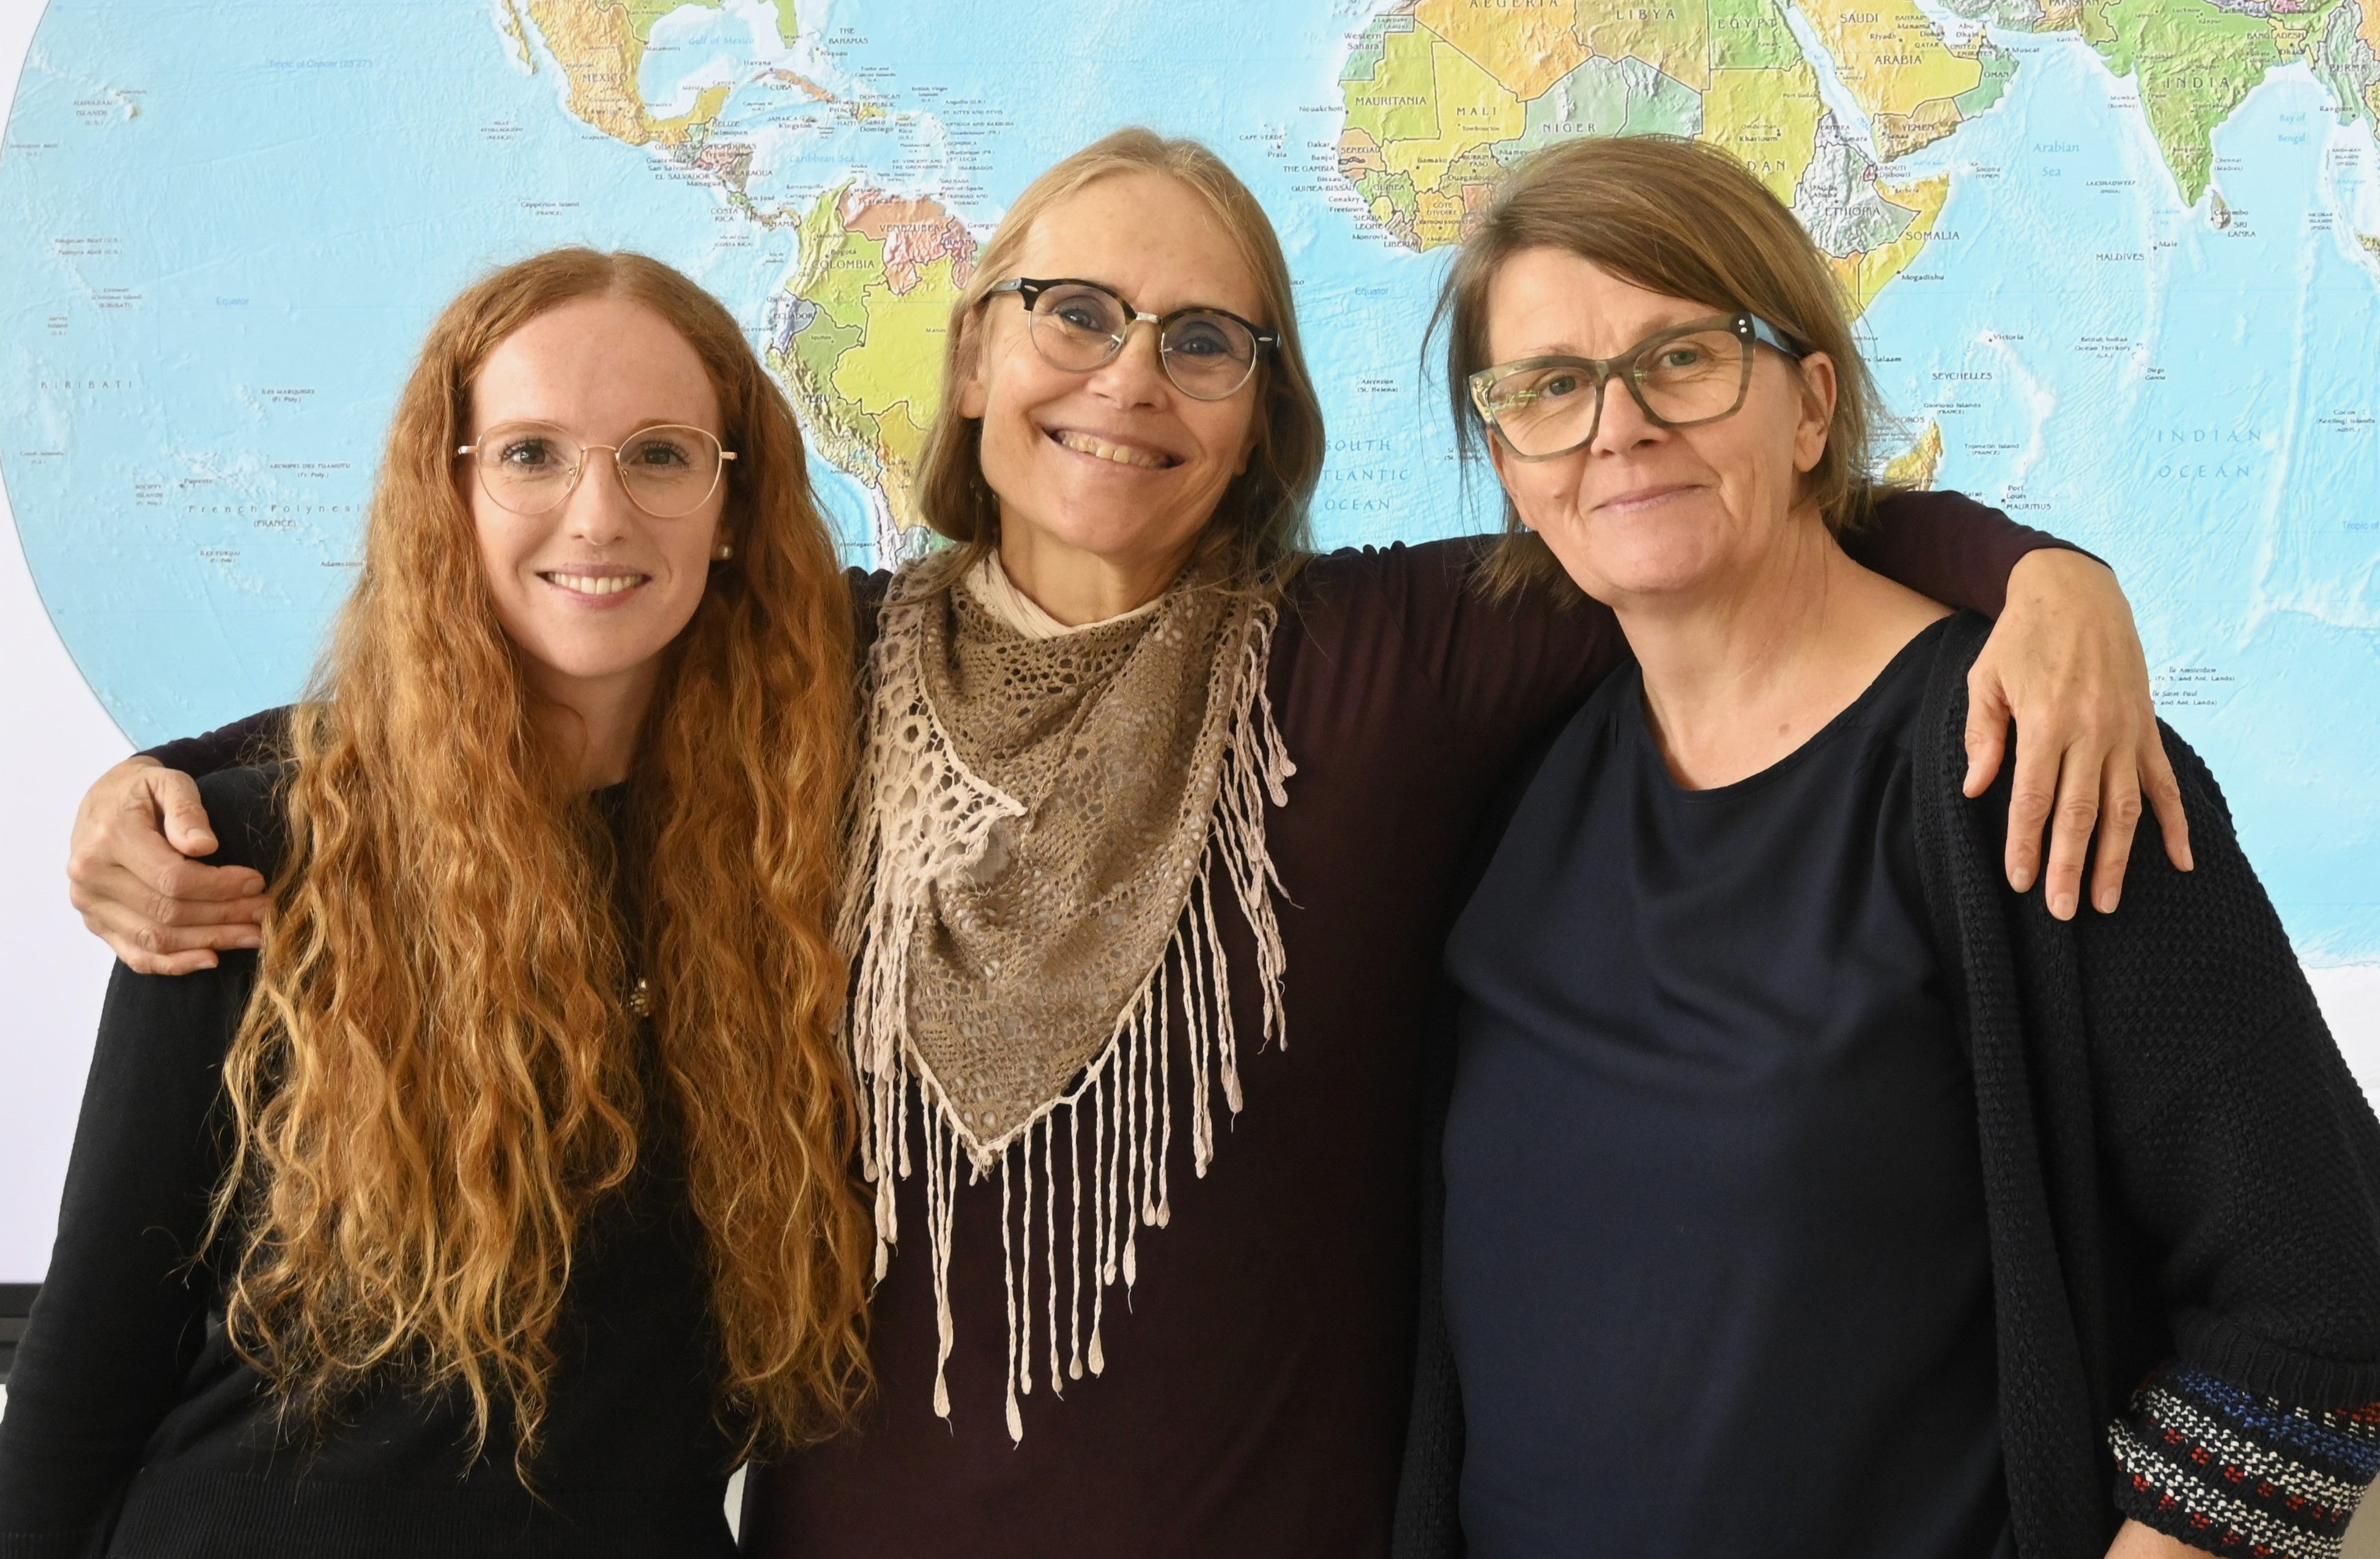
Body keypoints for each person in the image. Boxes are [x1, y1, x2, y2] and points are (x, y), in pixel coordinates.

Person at [65, 131, 2185, 1558]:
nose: (1128, 380)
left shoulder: (1394, 662)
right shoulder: (809, 667)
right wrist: (154, 792)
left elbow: (1678, 508)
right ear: (978, 355)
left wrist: (2036, 572)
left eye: (1204, 340)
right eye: (1073, 312)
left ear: (1264, 409)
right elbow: (513, 667)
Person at [1396, 136, 2380, 1559]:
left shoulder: (2030, 762)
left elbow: (2315, 1293)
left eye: (1683, 360)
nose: (1615, 429)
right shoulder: (1510, 786)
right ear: (1508, 456)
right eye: (1549, 389)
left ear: (1810, 403)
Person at [0, 252, 872, 1555]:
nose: (596, 514)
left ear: (733, 502)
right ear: (449, 489)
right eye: (530, 453)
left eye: (660, 455)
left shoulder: (816, 863)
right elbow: (92, 1350)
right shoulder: (247, 849)